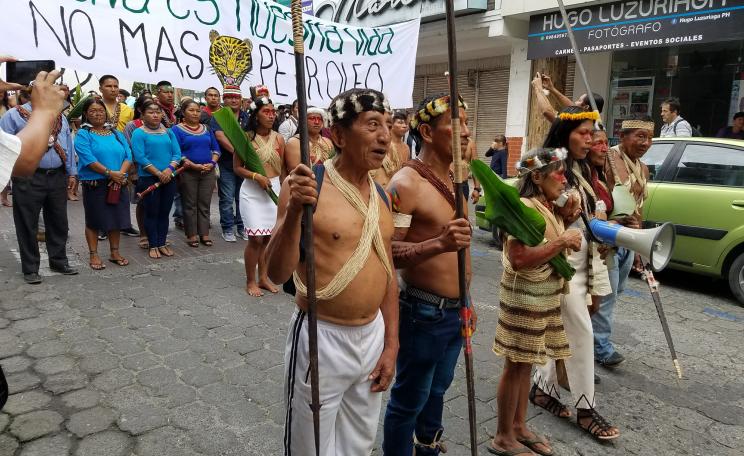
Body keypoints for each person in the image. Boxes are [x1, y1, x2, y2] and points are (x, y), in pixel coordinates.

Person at [266, 88, 398, 456]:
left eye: (387, 125)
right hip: (321, 337)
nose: (385, 136)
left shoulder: (383, 196)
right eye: (372, 125)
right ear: (338, 135)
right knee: (311, 448)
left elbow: (387, 275)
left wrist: (391, 344)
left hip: (372, 336)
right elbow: (276, 273)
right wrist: (293, 213)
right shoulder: (308, 185)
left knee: (359, 443)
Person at [382, 93, 476, 455]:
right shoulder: (406, 184)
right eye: (457, 124)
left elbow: (462, 253)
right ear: (427, 131)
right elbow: (388, 254)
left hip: (455, 312)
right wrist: (437, 244)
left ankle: (428, 446)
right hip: (423, 312)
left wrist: (468, 301)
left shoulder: (456, 178)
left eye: (468, 123)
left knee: (437, 390)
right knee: (409, 399)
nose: (467, 132)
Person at [531, 106, 619, 441]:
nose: (591, 138)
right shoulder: (546, 166)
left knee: (562, 333)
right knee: (581, 334)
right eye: (583, 132)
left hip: (585, 263)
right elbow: (531, 218)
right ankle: (586, 408)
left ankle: (541, 389)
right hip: (559, 266)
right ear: (564, 134)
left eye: (592, 132)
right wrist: (564, 220)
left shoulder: (583, 169)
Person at [488, 148, 582, 456]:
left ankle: (518, 427)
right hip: (523, 299)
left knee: (526, 364)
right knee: (514, 365)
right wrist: (562, 241)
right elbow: (518, 259)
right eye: (558, 172)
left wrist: (566, 224)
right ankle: (503, 436)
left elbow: (547, 247)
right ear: (537, 177)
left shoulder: (548, 207)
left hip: (540, 298)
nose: (564, 178)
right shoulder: (525, 206)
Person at [0, 71, 78, 284]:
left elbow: (68, 145)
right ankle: (30, 267)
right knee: (27, 223)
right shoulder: (13, 116)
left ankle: (59, 260)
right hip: (28, 178)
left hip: (57, 176)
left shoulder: (59, 116)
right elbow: (6, 150)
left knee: (58, 221)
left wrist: (71, 171)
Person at [593, 115, 653, 368]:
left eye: (649, 138)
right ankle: (600, 347)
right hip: (608, 236)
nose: (645, 143)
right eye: (640, 136)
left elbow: (638, 208)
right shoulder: (608, 156)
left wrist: (639, 244)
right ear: (624, 136)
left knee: (614, 293)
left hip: (628, 240)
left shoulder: (643, 168)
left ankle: (590, 338)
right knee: (605, 295)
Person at [236, 87, 284, 297]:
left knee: (267, 239)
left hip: (274, 190)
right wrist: (256, 176)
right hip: (252, 192)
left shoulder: (280, 139)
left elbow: (283, 170)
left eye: (273, 112)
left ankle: (264, 277)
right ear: (256, 116)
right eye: (266, 112)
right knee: (255, 239)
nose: (271, 115)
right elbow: (237, 167)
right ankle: (250, 281)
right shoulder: (245, 137)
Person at [75, 98, 132, 270]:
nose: (97, 113)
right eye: (92, 111)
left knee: (117, 218)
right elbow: (88, 159)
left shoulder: (116, 133)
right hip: (96, 183)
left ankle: (114, 252)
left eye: (100, 110)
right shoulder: (83, 134)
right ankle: (94, 254)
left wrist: (120, 174)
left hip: (118, 183)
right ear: (86, 114)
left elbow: (128, 155)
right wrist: (109, 173)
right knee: (94, 220)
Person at [131, 101, 181, 259]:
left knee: (164, 212)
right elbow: (140, 157)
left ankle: (161, 243)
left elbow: (177, 154)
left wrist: (168, 170)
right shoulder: (138, 133)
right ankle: (153, 244)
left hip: (169, 177)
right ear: (143, 115)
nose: (155, 115)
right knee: (151, 212)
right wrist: (158, 173)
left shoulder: (168, 132)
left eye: (158, 112)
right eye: (151, 112)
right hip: (149, 178)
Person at [172, 100, 220, 248]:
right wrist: (192, 165)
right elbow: (177, 151)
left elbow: (216, 149)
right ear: (183, 113)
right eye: (191, 110)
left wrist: (211, 163)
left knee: (204, 203)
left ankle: (204, 233)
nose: (195, 113)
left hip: (208, 171)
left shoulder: (206, 128)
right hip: (188, 171)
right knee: (190, 204)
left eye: (197, 111)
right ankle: (192, 235)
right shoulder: (176, 130)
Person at [210, 84, 248, 242]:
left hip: (245, 165)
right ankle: (227, 228)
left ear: (241, 99)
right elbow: (220, 136)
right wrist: (237, 153)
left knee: (243, 196)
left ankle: (242, 226)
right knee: (226, 197)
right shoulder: (219, 116)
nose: (233, 100)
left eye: (236, 97)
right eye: (229, 97)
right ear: (224, 99)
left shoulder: (246, 116)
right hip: (226, 163)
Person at [124, 94, 153, 249]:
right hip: (140, 171)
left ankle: (155, 234)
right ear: (140, 109)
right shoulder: (132, 126)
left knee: (156, 203)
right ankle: (143, 234)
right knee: (142, 203)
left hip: (158, 171)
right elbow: (130, 149)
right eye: (148, 107)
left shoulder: (160, 124)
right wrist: (133, 172)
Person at [533, 73, 605, 123]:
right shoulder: (593, 121)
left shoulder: (577, 123)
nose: (575, 102)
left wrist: (538, 87)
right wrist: (551, 88)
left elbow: (547, 112)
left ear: (586, 107)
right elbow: (572, 107)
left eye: (579, 100)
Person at [371, 111, 409, 187]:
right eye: (400, 122)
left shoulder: (405, 148)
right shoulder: (382, 147)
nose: (404, 126)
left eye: (405, 123)